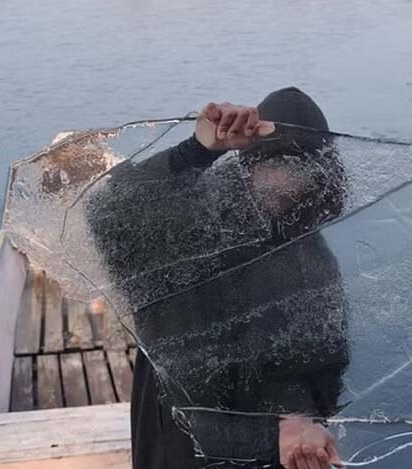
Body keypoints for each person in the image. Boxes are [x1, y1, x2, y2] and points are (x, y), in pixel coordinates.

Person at [87, 87, 350, 469]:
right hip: (176, 434)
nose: (284, 180)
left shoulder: (313, 257)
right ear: (250, 163)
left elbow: (314, 360)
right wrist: (195, 151)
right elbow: (109, 215)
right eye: (273, 162)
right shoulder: (194, 219)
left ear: (321, 174)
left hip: (264, 447)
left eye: (301, 167)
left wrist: (296, 416)